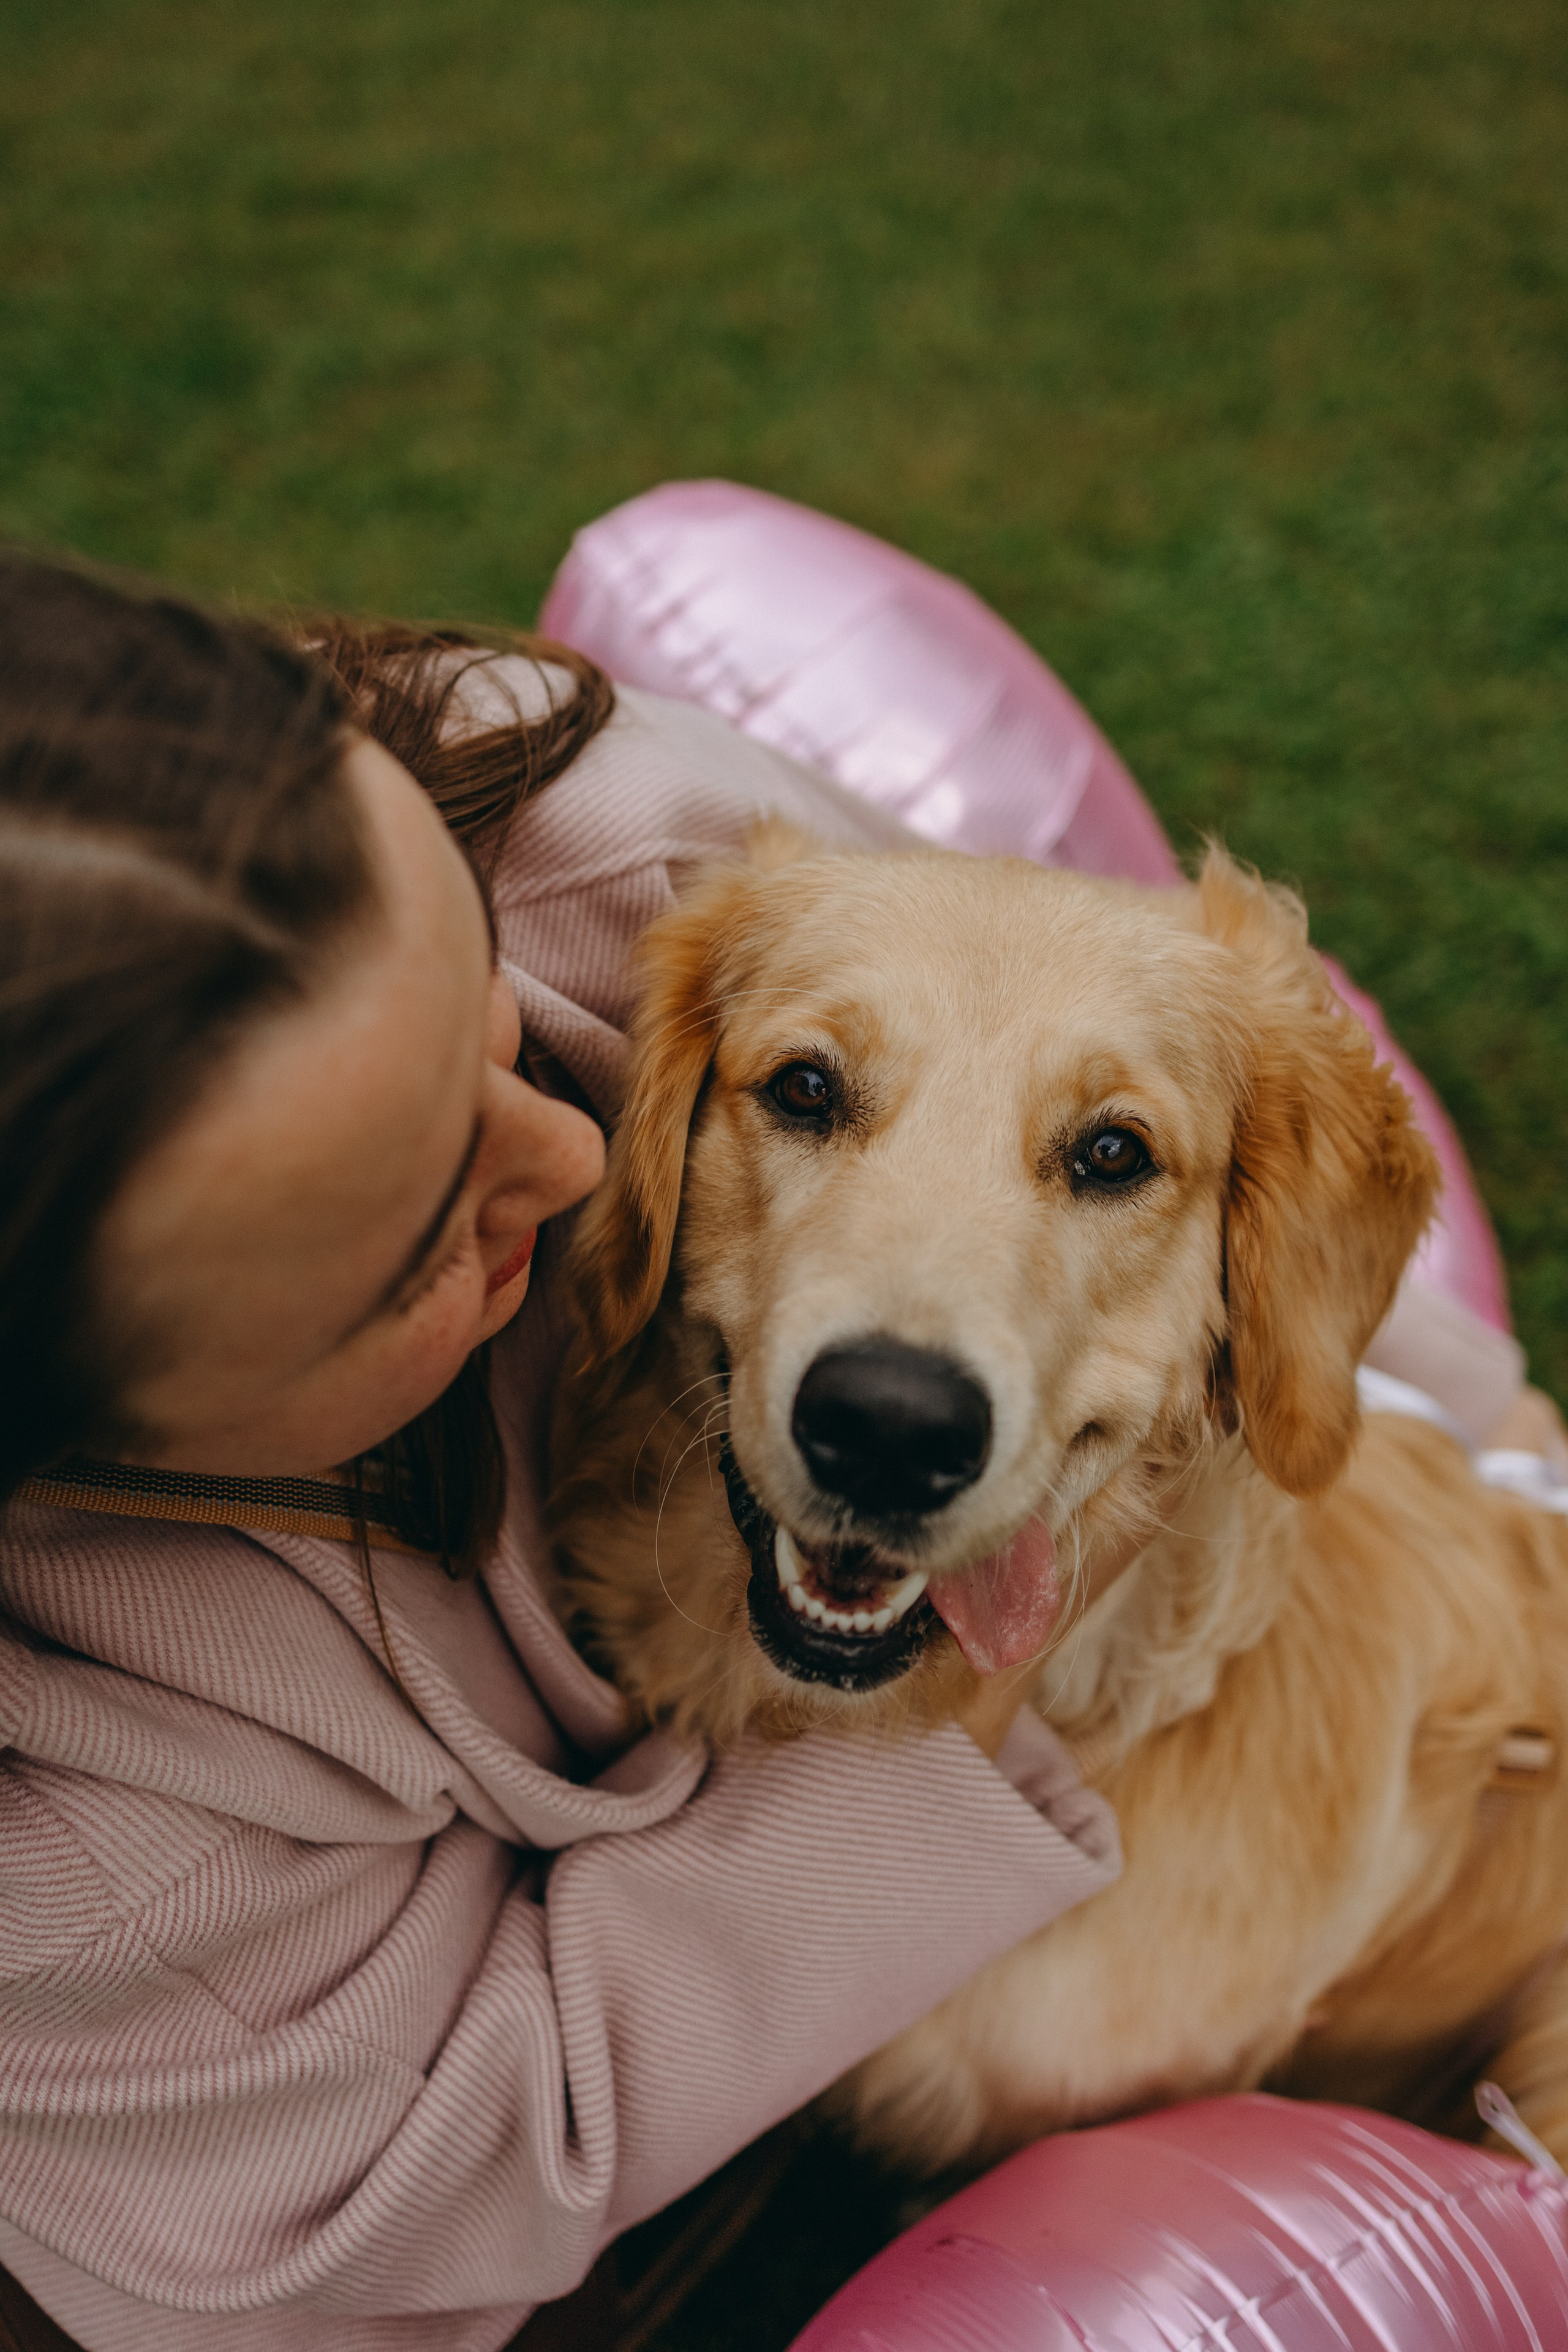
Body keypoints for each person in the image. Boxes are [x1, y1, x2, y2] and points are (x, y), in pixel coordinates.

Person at [0, 552, 1122, 2352]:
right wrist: (947, 1725)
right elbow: (442, 2183)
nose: (587, 1164)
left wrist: (1461, 1408)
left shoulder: (575, 823)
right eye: (413, 1240)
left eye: (492, 1022)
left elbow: (1104, 1017)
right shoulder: (65, 1860)